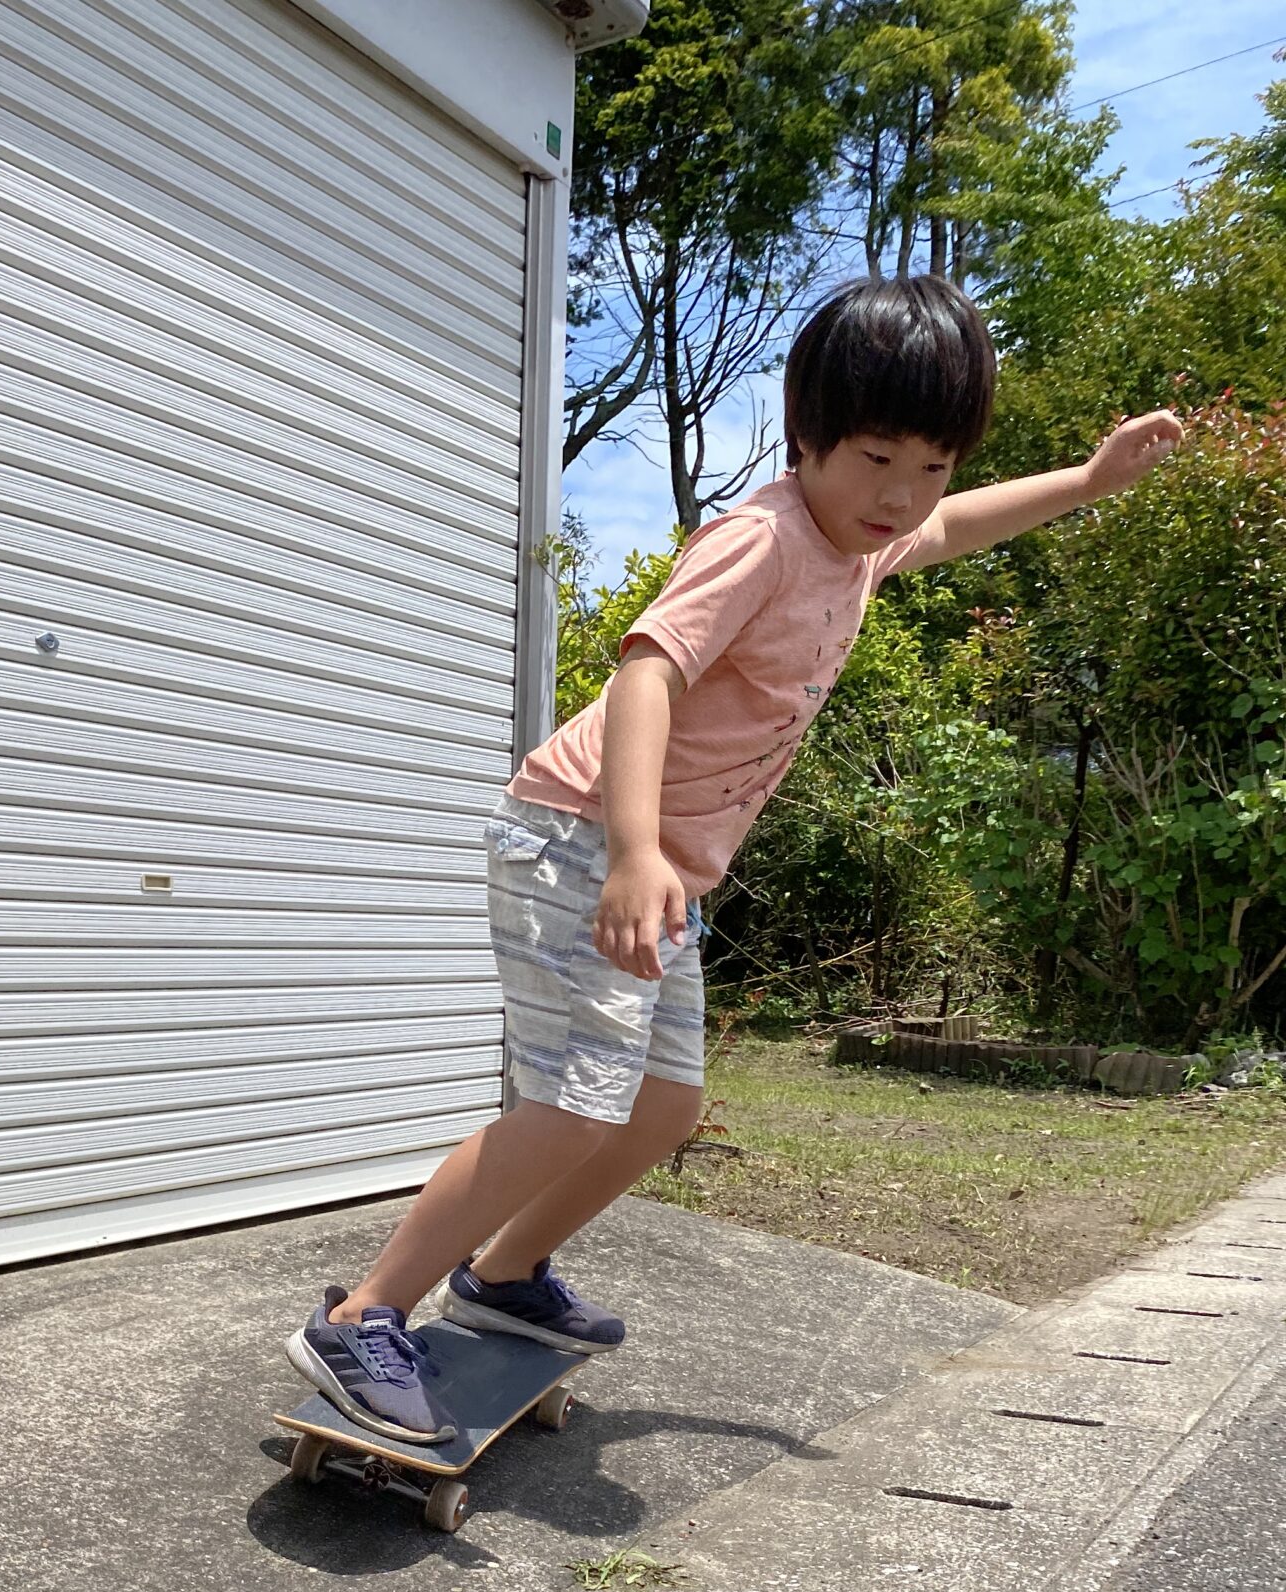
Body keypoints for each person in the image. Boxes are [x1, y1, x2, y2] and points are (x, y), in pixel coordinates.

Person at [285, 273, 1183, 1443]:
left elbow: (958, 527)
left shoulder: (866, 540)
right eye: (876, 459)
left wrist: (1090, 481)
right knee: (573, 1105)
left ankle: (504, 1274)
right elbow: (646, 670)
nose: (905, 495)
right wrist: (635, 847)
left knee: (663, 1108)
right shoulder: (759, 539)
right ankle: (363, 1316)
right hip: (580, 841)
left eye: (932, 464)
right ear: (806, 434)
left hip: (665, 876)